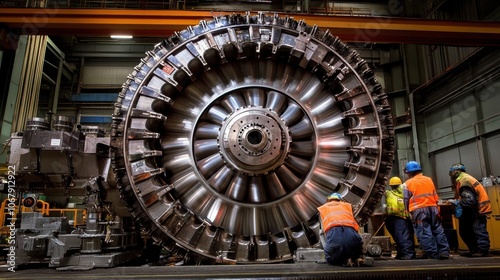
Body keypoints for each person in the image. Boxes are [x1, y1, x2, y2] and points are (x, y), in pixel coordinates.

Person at [403, 161, 450, 259]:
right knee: (438, 230)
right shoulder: (429, 180)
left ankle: (433, 254)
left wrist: (406, 211)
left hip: (419, 210)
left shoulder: (407, 183)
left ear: (409, 172)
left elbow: (406, 199)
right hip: (433, 208)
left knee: (424, 232)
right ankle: (444, 252)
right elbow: (434, 194)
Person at [448, 163, 491, 257]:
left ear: (456, 172)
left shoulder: (464, 181)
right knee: (465, 231)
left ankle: (482, 250)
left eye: (451, 173)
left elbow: (469, 201)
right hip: (472, 210)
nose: (450, 175)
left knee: (478, 231)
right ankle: (474, 250)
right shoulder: (464, 179)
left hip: (476, 210)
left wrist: (457, 202)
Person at [318, 192, 364, 266]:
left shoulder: (323, 208)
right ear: (340, 200)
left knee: (330, 258)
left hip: (335, 235)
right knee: (354, 246)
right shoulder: (347, 206)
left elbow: (322, 232)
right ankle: (356, 257)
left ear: (328, 200)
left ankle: (344, 260)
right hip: (352, 235)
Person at [385, 176, 416, 260]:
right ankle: (402, 253)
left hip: (400, 218)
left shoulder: (391, 193)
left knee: (402, 236)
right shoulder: (403, 193)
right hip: (395, 218)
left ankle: (408, 254)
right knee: (399, 236)